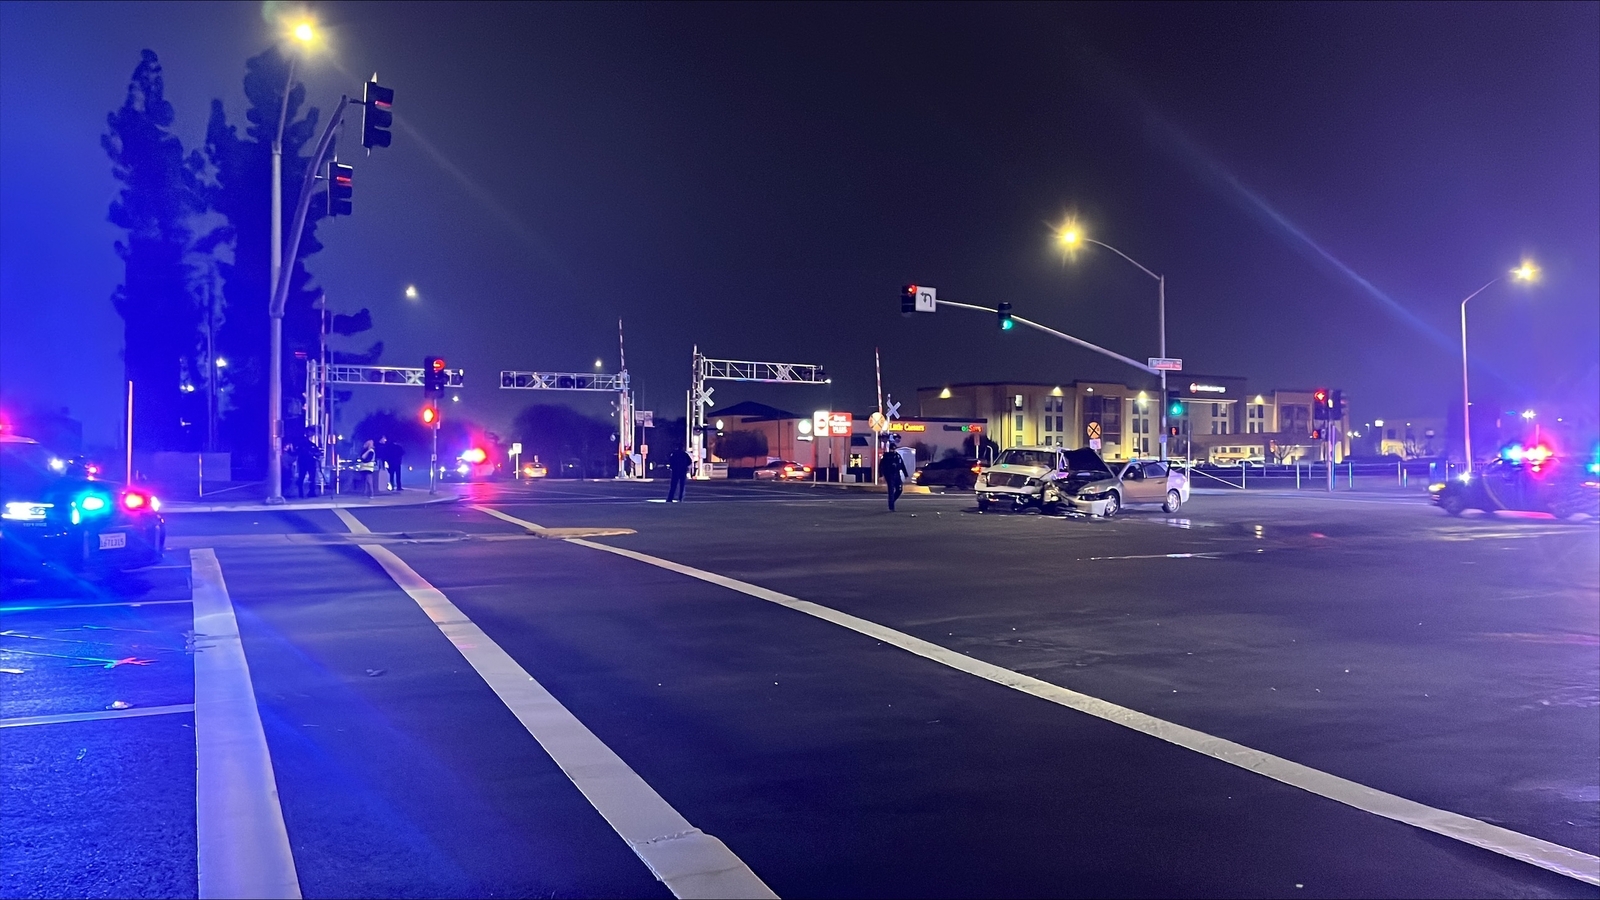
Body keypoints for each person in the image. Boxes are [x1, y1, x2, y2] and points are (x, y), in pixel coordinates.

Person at [880, 444, 908, 511]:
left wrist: (905, 474)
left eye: (894, 449)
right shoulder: (886, 456)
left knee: (899, 489)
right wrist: (881, 475)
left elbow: (902, 465)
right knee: (891, 491)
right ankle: (891, 507)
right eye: (892, 449)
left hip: (897, 474)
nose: (893, 450)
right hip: (889, 475)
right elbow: (881, 466)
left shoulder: (898, 456)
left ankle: (892, 501)